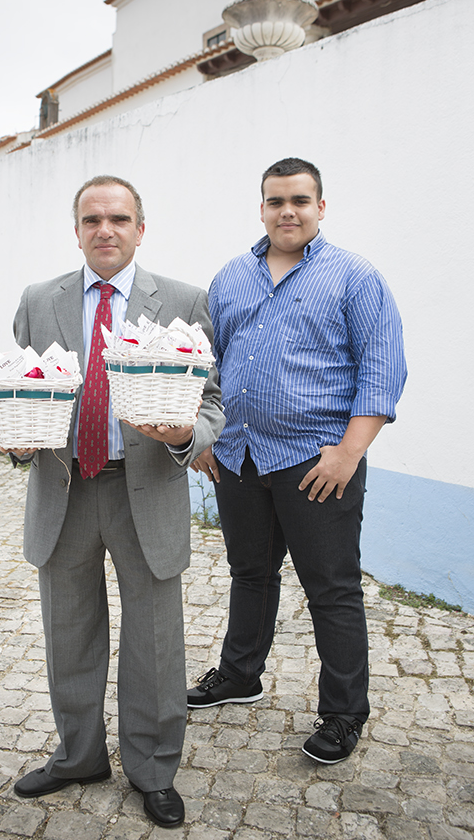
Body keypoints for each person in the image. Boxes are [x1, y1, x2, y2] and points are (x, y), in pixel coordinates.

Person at [0, 175, 222, 829]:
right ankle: (79, 754)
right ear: (77, 230)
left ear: (140, 228)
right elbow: (25, 386)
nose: (105, 230)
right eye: (92, 219)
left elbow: (213, 400)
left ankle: (153, 768)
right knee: (70, 635)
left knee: (153, 640)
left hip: (142, 488)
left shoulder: (182, 300)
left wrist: (187, 435)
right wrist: (16, 434)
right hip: (64, 489)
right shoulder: (39, 301)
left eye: (119, 218)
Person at [186, 157, 406, 765]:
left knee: (331, 589)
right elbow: (207, 364)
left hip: (316, 461)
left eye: (300, 201)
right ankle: (240, 675)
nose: (288, 211)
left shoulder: (355, 277)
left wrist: (348, 453)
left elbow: (382, 369)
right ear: (261, 208)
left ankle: (342, 714)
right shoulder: (230, 278)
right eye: (276, 201)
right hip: (239, 456)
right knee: (249, 573)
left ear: (320, 207)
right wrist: (207, 438)